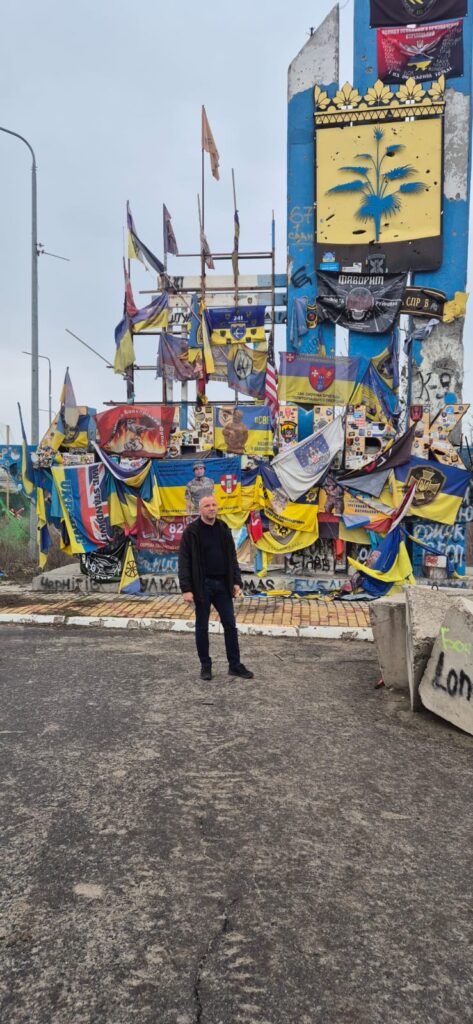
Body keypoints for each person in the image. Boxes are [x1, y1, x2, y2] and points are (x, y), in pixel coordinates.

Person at [178, 494, 254, 681]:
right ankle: (205, 665)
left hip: (222, 585)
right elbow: (184, 562)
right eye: (207, 506)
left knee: (230, 624)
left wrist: (236, 582)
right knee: (202, 626)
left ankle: (235, 665)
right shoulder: (191, 532)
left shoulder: (223, 528)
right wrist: (186, 589)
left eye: (214, 505)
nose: (211, 508)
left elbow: (232, 557)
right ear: (200, 510)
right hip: (201, 586)